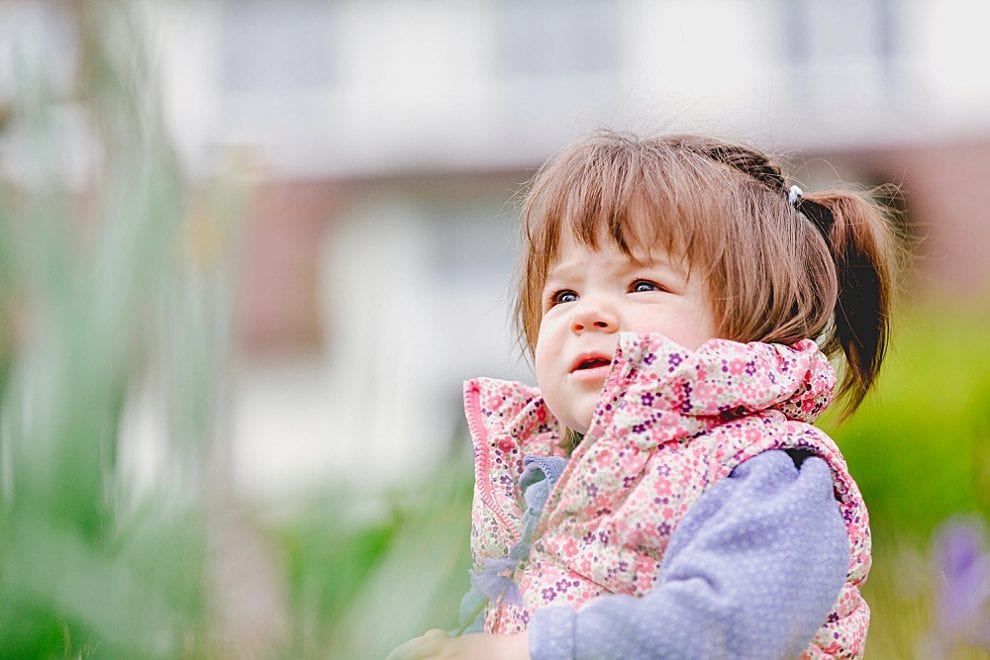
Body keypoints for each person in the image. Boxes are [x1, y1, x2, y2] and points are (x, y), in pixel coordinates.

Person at [387, 132, 898, 659]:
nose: (588, 313)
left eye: (642, 285)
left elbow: (717, 633)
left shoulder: (766, 475)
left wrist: (508, 653)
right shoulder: (556, 481)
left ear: (755, 319)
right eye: (564, 294)